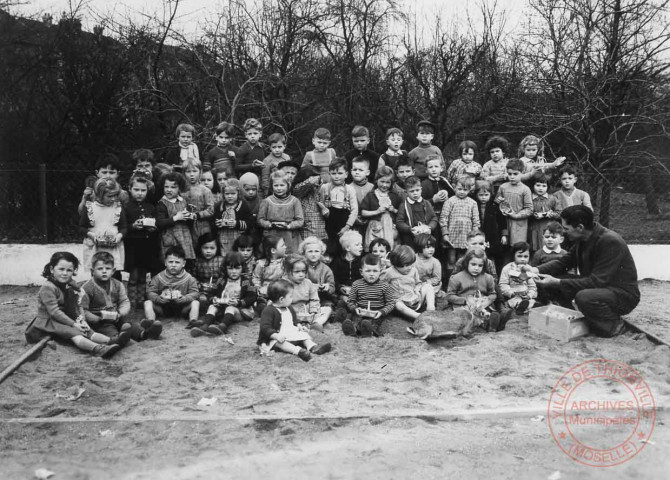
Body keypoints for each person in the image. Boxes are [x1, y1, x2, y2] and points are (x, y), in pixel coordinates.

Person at [533, 205, 640, 337]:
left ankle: (615, 326)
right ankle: (577, 319)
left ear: (580, 227)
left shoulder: (610, 241)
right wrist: (535, 270)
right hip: (600, 287)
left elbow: (596, 282)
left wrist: (557, 282)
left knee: (584, 297)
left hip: (622, 295)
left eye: (566, 228)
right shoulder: (583, 238)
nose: (564, 232)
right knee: (557, 281)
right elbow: (564, 261)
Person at [25, 252, 123, 358]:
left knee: (86, 329)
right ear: (52, 269)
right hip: (49, 321)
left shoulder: (70, 284)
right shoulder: (48, 288)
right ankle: (97, 349)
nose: (65, 273)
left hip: (66, 317)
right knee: (74, 332)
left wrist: (81, 320)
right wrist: (73, 324)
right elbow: (54, 312)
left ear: (74, 271)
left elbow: (77, 303)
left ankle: (111, 341)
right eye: (61, 269)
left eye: (69, 270)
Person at [257, 279, 332, 361]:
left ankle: (312, 347)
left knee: (304, 335)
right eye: (290, 296)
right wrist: (276, 335)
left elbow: (294, 320)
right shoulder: (269, 310)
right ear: (281, 299)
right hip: (276, 337)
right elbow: (265, 328)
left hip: (290, 333)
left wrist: (299, 325)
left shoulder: (288, 307)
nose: (292, 299)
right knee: (280, 343)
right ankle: (298, 351)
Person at [191, 251, 257, 337]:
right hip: (223, 309)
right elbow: (210, 293)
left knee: (231, 308)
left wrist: (239, 302)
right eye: (230, 268)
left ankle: (223, 327)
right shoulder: (221, 280)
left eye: (237, 268)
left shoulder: (246, 281)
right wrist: (213, 299)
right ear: (225, 268)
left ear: (242, 268)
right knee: (212, 306)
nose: (233, 271)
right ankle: (204, 326)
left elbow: (252, 296)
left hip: (240, 311)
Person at [446, 247, 510, 332]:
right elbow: (449, 296)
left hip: (482, 305)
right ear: (466, 263)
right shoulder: (457, 278)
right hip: (464, 306)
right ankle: (486, 324)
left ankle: (492, 324)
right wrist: (465, 300)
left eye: (480, 265)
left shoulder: (488, 278)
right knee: (464, 317)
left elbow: (493, 293)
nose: (476, 268)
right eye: (473, 264)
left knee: (486, 313)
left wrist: (488, 300)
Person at [80, 252, 133, 345]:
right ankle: (118, 339)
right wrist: (97, 318)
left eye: (108, 268)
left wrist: (120, 313)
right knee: (108, 330)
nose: (104, 271)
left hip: (116, 316)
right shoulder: (87, 288)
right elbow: (83, 310)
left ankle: (142, 333)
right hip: (100, 321)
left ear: (113, 271)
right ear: (92, 271)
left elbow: (124, 301)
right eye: (100, 268)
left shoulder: (118, 284)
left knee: (128, 323)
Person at [124, 175, 160, 309]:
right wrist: (132, 227)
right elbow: (122, 227)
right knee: (133, 276)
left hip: (146, 247)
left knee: (143, 276)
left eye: (143, 190)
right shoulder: (126, 207)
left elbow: (156, 225)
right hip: (132, 246)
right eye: (136, 189)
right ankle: (132, 302)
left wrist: (152, 228)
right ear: (130, 189)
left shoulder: (150, 207)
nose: (139, 193)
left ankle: (141, 300)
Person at [341, 253, 398, 337]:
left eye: (375, 271)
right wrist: (355, 309)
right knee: (355, 319)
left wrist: (381, 312)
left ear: (380, 271)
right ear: (361, 272)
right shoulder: (356, 284)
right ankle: (353, 331)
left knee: (374, 322)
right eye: (368, 271)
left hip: (376, 313)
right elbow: (350, 301)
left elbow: (391, 303)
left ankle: (369, 331)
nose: (371, 274)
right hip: (361, 311)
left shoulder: (385, 286)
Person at [145, 245, 199, 328]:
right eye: (170, 262)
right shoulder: (158, 277)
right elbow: (150, 292)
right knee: (147, 303)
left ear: (183, 263)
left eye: (177, 262)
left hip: (182, 308)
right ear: (165, 262)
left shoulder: (189, 278)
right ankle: (150, 322)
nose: (173, 265)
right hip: (163, 308)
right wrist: (158, 298)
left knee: (195, 303)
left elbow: (195, 293)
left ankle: (193, 321)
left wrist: (185, 298)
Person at [79, 178, 127, 273]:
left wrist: (119, 236)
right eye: (109, 196)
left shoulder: (117, 207)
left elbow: (124, 227)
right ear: (99, 195)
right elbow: (81, 227)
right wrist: (91, 235)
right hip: (95, 248)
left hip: (113, 247)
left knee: (115, 273)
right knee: (97, 272)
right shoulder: (90, 208)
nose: (113, 199)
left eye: (115, 195)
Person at [382, 245, 435, 320]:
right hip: (401, 304)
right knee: (397, 304)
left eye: (411, 264)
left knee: (428, 287)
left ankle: (430, 309)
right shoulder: (389, 272)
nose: (409, 267)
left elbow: (418, 283)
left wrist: (417, 288)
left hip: (415, 299)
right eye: (406, 265)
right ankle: (417, 316)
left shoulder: (413, 270)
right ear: (396, 264)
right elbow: (381, 285)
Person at [257, 170, 304, 253]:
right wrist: (270, 224)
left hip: (290, 236)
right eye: (276, 185)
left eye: (282, 185)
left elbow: (300, 221)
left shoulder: (294, 201)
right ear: (272, 186)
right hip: (272, 235)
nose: (279, 188)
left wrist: (288, 226)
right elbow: (260, 220)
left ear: (288, 185)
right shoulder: (267, 201)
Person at [495, 158, 533, 260]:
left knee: (518, 249)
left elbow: (529, 209)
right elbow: (496, 203)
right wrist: (497, 201)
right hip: (504, 224)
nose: (512, 177)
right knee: (504, 250)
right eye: (509, 174)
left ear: (522, 173)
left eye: (515, 174)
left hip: (519, 225)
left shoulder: (525, 189)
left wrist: (516, 215)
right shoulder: (503, 187)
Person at [439, 175, 480, 269]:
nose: (462, 192)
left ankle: (460, 279)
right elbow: (443, 218)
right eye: (459, 189)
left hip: (466, 235)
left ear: (469, 190)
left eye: (465, 190)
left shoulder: (472, 203)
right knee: (451, 259)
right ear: (455, 188)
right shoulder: (449, 201)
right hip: (452, 235)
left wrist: (474, 236)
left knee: (462, 259)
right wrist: (445, 234)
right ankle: (450, 279)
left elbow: (476, 221)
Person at [319, 158, 358, 256]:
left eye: (340, 173)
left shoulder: (350, 189)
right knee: (330, 249)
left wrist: (347, 226)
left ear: (346, 174)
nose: (336, 176)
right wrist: (324, 211)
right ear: (329, 173)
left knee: (344, 249)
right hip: (329, 224)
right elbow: (321, 203)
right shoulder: (325, 187)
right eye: (333, 173)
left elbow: (354, 210)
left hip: (344, 223)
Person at [283, 254, 331, 332]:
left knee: (327, 309)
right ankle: (297, 325)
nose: (301, 274)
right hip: (291, 312)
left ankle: (316, 323)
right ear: (287, 272)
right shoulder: (283, 284)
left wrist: (313, 310)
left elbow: (314, 299)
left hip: (306, 311)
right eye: (297, 272)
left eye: (303, 271)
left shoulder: (308, 283)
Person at [156, 172, 196, 263]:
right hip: (170, 239)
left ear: (179, 188)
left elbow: (190, 223)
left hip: (184, 237)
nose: (169, 190)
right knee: (173, 261)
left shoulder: (183, 201)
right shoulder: (162, 203)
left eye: (173, 187)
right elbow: (159, 223)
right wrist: (176, 218)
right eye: (166, 187)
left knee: (185, 261)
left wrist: (190, 217)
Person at [360, 166, 401, 249]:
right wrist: (377, 211)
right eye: (382, 181)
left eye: (388, 182)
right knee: (375, 249)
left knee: (390, 249)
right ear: (376, 180)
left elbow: (401, 212)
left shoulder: (394, 196)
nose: (384, 185)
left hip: (390, 229)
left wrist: (393, 210)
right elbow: (363, 212)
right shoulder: (371, 195)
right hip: (375, 229)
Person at [396, 175, 437, 250]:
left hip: (425, 236)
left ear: (421, 190)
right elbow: (399, 222)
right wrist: (410, 229)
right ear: (406, 192)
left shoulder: (426, 203)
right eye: (412, 191)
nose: (415, 193)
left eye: (417, 190)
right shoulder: (403, 206)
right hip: (410, 238)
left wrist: (429, 227)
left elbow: (434, 218)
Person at [213, 178, 254, 255]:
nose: (230, 196)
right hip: (223, 237)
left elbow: (250, 222)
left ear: (238, 193)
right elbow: (213, 221)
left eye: (233, 194)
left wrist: (236, 224)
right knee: (224, 255)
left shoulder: (243, 206)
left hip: (239, 237)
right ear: (223, 194)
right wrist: (218, 224)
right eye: (227, 194)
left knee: (238, 255)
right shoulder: (219, 206)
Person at [299, 236, 337, 318]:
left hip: (321, 298)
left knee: (329, 307)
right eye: (310, 251)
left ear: (321, 253)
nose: (313, 254)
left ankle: (318, 320)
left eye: (316, 251)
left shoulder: (326, 269)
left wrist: (327, 288)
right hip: (304, 298)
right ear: (304, 252)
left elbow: (332, 287)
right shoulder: (300, 267)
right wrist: (312, 287)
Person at [475, 180, 508, 274]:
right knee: (483, 255)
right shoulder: (474, 205)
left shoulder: (495, 205)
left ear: (491, 194)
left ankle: (499, 275)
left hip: (494, 235)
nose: (483, 198)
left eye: (486, 195)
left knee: (498, 255)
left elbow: (502, 220)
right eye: (480, 195)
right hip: (480, 235)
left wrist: (504, 235)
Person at [181, 158, 215, 245]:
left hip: (201, 225)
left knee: (201, 246)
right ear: (184, 173)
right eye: (188, 171)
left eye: (194, 171)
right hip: (184, 225)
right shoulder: (180, 190)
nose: (192, 174)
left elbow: (211, 210)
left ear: (200, 172)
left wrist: (197, 215)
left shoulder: (205, 190)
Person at [252, 235, 287, 314]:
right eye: (283, 245)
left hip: (279, 289)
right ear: (273, 250)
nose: (285, 247)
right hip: (265, 291)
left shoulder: (284, 262)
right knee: (262, 302)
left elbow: (286, 276)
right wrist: (258, 288)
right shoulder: (261, 264)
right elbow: (256, 278)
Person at [499, 241, 537, 314]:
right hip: (513, 295)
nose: (523, 259)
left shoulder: (529, 269)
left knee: (531, 302)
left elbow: (532, 286)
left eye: (526, 256)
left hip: (526, 295)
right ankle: (521, 307)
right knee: (516, 301)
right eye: (519, 256)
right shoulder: (507, 268)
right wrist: (511, 293)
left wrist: (529, 295)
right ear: (514, 256)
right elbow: (502, 285)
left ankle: (529, 305)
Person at [292, 165, 327, 241]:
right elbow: (299, 190)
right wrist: (310, 181)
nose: (316, 178)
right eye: (313, 176)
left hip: (321, 230)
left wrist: (326, 211)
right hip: (306, 229)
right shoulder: (298, 188)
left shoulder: (320, 189)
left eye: (317, 176)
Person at [529, 174, 561, 253]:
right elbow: (525, 210)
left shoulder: (552, 198)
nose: (541, 188)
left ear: (548, 187)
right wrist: (533, 214)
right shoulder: (529, 198)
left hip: (548, 228)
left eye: (544, 186)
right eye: (538, 185)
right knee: (534, 248)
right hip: (534, 228)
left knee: (548, 247)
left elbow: (560, 212)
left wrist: (552, 214)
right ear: (533, 186)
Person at [193, 233, 225, 305]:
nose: (208, 251)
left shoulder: (221, 260)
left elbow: (223, 276)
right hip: (202, 288)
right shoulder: (197, 261)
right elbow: (193, 276)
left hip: (217, 288)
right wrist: (199, 284)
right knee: (201, 298)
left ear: (217, 249)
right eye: (205, 248)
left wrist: (216, 284)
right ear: (200, 248)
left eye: (212, 248)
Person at [261, 133, 291, 197]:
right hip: (273, 189)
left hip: (285, 188)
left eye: (279, 147)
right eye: (274, 147)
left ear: (284, 146)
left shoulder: (287, 158)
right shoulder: (267, 160)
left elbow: (289, 173)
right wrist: (267, 192)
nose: (277, 150)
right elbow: (265, 178)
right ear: (270, 148)